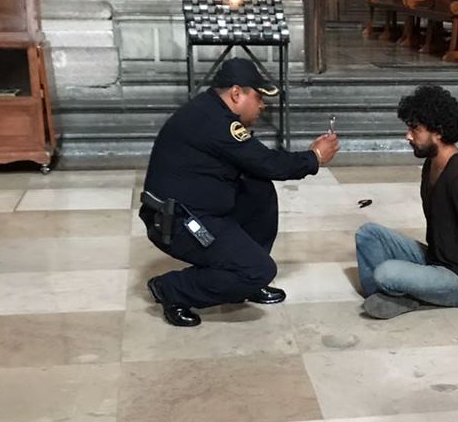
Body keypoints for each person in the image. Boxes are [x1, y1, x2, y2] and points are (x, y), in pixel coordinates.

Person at [139, 58, 340, 327]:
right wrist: (314, 157)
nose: (262, 105)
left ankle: (241, 280)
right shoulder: (215, 122)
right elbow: (267, 162)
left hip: (199, 208)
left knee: (257, 188)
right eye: (257, 97)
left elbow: (257, 162)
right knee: (260, 270)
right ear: (236, 93)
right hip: (178, 221)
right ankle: (172, 289)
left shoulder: (211, 111)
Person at [354, 84, 458, 319]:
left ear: (438, 131)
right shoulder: (432, 164)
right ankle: (396, 295)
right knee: (367, 234)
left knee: (386, 272)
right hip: (435, 260)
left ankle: (399, 293)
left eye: (415, 129)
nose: (408, 135)